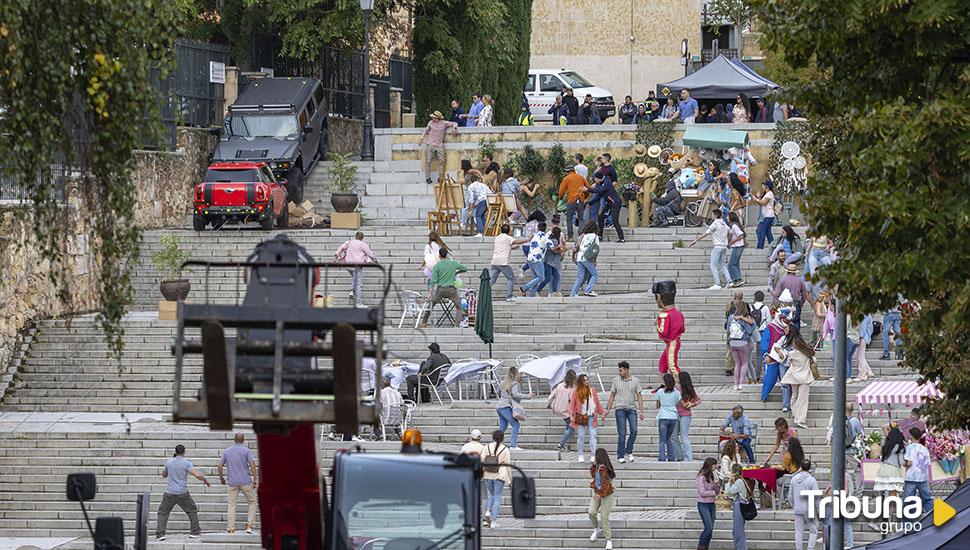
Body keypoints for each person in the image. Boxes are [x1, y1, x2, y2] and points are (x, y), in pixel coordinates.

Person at [156, 444, 209, 540]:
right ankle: (195, 532)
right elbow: (196, 475)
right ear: (184, 452)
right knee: (192, 510)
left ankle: (160, 534)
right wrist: (204, 479)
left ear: (175, 452)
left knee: (163, 512)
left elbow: (164, 475)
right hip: (182, 492)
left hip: (169, 492)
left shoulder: (169, 462)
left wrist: (165, 471)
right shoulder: (186, 463)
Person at [605, 361, 644, 463]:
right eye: (619, 370)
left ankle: (629, 450)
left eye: (621, 370)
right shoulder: (615, 380)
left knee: (634, 430)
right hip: (620, 409)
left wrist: (641, 411)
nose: (619, 372)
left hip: (632, 409)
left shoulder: (635, 380)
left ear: (626, 370)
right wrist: (608, 409)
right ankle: (620, 455)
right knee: (622, 433)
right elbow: (612, 395)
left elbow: (639, 396)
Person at [219, 433, 257, 535]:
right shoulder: (246, 450)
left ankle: (231, 528)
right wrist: (255, 479)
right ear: (243, 440)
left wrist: (221, 478)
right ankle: (249, 526)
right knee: (252, 502)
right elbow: (253, 465)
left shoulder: (227, 451)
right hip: (245, 481)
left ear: (234, 440)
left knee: (231, 505)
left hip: (232, 482)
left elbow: (220, 465)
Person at [781, 332, 817, 428]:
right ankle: (800, 419)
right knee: (803, 399)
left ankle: (795, 413)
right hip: (805, 377)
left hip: (794, 376)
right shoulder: (808, 352)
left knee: (794, 395)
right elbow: (815, 361)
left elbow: (788, 364)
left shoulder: (792, 354)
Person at [689, 209, 733, 289]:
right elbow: (730, 232)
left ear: (715, 215)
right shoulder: (723, 223)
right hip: (724, 246)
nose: (711, 216)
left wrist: (696, 240)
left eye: (712, 214)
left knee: (713, 264)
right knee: (721, 264)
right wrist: (728, 241)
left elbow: (706, 233)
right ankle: (729, 281)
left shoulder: (715, 223)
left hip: (717, 246)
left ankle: (717, 283)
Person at [424, 248, 467, 326]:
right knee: (459, 307)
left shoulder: (437, 266)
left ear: (439, 256)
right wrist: (457, 271)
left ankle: (424, 322)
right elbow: (465, 269)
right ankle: (456, 325)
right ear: (447, 255)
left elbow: (433, 281)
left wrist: (430, 293)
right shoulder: (453, 263)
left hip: (440, 290)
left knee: (430, 305)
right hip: (451, 290)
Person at [334, 231, 378, 308]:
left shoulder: (349, 242)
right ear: (362, 238)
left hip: (348, 265)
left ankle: (352, 291)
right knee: (359, 284)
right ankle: (358, 303)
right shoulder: (363, 244)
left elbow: (341, 248)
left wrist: (336, 255)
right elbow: (370, 253)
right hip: (357, 265)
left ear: (355, 236)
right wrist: (375, 260)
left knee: (355, 279)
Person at [570, 373, 605, 462]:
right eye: (584, 380)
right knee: (581, 436)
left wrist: (602, 412)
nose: (587, 382)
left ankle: (593, 455)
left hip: (591, 415)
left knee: (593, 435)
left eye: (587, 380)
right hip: (581, 416)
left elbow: (596, 402)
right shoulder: (576, 391)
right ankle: (580, 455)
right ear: (581, 382)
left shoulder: (592, 390)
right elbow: (572, 404)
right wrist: (571, 415)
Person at [418, 111, 459, 185]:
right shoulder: (430, 123)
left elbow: (454, 123)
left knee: (442, 161)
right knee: (428, 161)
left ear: (438, 118)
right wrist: (421, 138)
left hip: (439, 145)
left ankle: (440, 177)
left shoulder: (444, 123)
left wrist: (454, 127)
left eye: (434, 117)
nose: (432, 118)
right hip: (430, 144)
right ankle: (428, 177)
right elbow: (426, 130)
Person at [490, 224, 529, 302]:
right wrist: (527, 239)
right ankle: (509, 296)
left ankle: (482, 293)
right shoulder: (508, 238)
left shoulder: (497, 238)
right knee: (511, 278)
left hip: (495, 261)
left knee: (492, 280)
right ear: (508, 231)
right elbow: (516, 241)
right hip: (503, 262)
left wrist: (514, 247)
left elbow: (505, 246)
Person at [482, 430, 512, 527]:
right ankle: (494, 521)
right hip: (500, 475)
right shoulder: (505, 449)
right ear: (502, 438)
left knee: (491, 495)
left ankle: (487, 512)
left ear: (493, 437)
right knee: (497, 497)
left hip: (487, 474)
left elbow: (482, 460)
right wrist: (510, 480)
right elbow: (508, 465)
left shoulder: (486, 447)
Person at [655, 280, 685, 377]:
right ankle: (665, 385)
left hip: (671, 342)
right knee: (663, 364)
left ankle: (681, 385)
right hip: (675, 341)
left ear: (659, 297)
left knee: (672, 366)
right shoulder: (678, 313)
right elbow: (682, 329)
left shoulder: (664, 315)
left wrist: (657, 324)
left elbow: (663, 332)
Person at [588, 448, 616, 550]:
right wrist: (593, 465)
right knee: (591, 512)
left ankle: (608, 540)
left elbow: (607, 485)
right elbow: (592, 475)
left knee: (604, 517)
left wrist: (600, 495)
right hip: (598, 492)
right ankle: (596, 528)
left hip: (607, 494)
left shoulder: (604, 469)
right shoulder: (598, 467)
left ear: (598, 456)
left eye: (595, 455)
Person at [496, 367, 530, 450]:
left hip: (499, 407)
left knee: (502, 427)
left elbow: (498, 392)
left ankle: (493, 443)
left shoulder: (502, 382)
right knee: (516, 424)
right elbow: (516, 394)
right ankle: (513, 445)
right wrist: (528, 396)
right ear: (516, 374)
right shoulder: (514, 383)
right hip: (507, 406)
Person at [790, 460, 820, 550]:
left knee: (798, 531)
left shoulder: (794, 479)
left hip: (798, 508)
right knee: (813, 530)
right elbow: (816, 497)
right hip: (809, 509)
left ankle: (799, 548)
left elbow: (790, 496)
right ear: (809, 468)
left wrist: (794, 505)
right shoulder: (812, 480)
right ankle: (810, 548)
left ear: (801, 467)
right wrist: (819, 509)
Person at [903, 427, 933, 516]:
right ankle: (931, 517)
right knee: (927, 499)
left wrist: (903, 464)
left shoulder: (909, 448)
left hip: (911, 477)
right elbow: (928, 463)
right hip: (923, 477)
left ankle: (909, 522)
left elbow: (909, 463)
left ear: (911, 436)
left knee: (909, 500)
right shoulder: (925, 449)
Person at [589, 172, 625, 242]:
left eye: (595, 179)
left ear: (598, 178)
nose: (594, 180)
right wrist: (590, 203)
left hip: (615, 203)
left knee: (615, 221)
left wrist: (587, 189)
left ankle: (621, 238)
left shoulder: (607, 182)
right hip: (609, 203)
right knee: (600, 217)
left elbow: (599, 190)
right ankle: (600, 236)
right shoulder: (601, 183)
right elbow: (599, 195)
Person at [727, 302, 756, 390]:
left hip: (732, 343)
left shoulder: (731, 317)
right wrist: (753, 325)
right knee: (744, 363)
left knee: (737, 364)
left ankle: (735, 384)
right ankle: (741, 383)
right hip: (742, 342)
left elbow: (728, 329)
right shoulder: (744, 318)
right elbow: (749, 331)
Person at [549, 369, 578, 452]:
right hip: (566, 409)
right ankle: (561, 445)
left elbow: (552, 396)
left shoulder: (560, 385)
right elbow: (572, 400)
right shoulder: (573, 388)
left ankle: (564, 442)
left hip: (557, 408)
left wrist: (549, 404)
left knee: (568, 424)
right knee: (571, 426)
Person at [655, 373, 682, 462]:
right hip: (674, 417)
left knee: (662, 440)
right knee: (668, 438)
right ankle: (671, 457)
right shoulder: (677, 392)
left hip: (663, 416)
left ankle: (662, 457)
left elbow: (657, 405)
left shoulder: (659, 391)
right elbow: (679, 403)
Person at [676, 371, 702, 461]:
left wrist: (691, 404)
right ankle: (687, 458)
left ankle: (683, 457)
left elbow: (698, 400)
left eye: (678, 377)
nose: (677, 379)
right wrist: (692, 404)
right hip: (684, 414)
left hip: (681, 414)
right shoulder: (689, 388)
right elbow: (698, 400)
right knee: (683, 436)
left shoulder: (677, 387)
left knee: (678, 436)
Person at [724, 463, 751, 550]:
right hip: (739, 505)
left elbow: (728, 492)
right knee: (736, 531)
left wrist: (728, 482)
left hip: (739, 506)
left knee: (738, 531)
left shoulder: (739, 482)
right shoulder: (741, 480)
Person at [521, 221, 552, 297]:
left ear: (538, 228)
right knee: (541, 278)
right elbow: (552, 247)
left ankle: (532, 295)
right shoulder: (545, 238)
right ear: (545, 229)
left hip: (530, 259)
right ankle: (524, 288)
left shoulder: (534, 236)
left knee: (536, 278)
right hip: (537, 260)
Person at [570, 222, 601, 297]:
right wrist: (595, 260)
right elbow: (595, 249)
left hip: (580, 257)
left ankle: (574, 293)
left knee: (580, 276)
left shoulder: (583, 235)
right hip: (587, 258)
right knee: (595, 274)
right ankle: (588, 290)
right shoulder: (595, 236)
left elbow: (576, 246)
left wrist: (573, 256)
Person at [874, 427, 906, 496]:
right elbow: (901, 462)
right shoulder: (900, 447)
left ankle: (885, 505)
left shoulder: (885, 445)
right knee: (893, 493)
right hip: (893, 471)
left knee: (885, 492)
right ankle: (893, 507)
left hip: (883, 469)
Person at [696, 458, 720, 550]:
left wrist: (717, 485)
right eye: (714, 465)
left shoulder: (712, 476)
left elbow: (717, 492)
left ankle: (706, 547)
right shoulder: (701, 477)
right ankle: (701, 546)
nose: (716, 467)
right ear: (710, 465)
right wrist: (713, 493)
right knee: (708, 527)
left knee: (711, 528)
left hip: (712, 504)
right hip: (703, 504)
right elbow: (702, 492)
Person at [559, 165, 587, 239]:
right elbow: (587, 188)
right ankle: (581, 235)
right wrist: (585, 197)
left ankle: (570, 237)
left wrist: (560, 198)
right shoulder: (581, 178)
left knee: (569, 219)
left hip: (571, 200)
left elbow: (561, 191)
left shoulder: (566, 178)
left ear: (567, 171)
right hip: (580, 200)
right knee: (581, 218)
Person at [536, 226, 566, 296]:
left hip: (550, 262)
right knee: (548, 278)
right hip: (549, 262)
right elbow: (555, 252)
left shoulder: (550, 239)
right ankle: (538, 290)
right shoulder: (554, 241)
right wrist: (565, 249)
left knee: (556, 276)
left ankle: (554, 292)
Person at [753, 180, 776, 249]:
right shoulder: (767, 193)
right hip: (766, 216)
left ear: (767, 186)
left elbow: (763, 203)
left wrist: (756, 199)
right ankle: (773, 246)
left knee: (761, 231)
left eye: (764, 185)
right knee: (768, 233)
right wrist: (758, 197)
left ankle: (760, 247)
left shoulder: (769, 193)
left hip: (768, 215)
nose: (763, 186)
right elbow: (762, 203)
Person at [727, 211, 746, 287]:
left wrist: (732, 242)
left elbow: (741, 235)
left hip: (738, 246)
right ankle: (736, 280)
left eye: (728, 217)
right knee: (735, 264)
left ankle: (738, 279)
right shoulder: (734, 225)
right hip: (737, 246)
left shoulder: (734, 226)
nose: (727, 218)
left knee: (731, 264)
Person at [856, 314, 875, 380]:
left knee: (860, 356)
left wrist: (860, 336)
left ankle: (863, 374)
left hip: (863, 337)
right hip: (865, 336)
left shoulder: (865, 315)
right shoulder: (868, 314)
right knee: (860, 356)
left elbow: (863, 327)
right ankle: (869, 372)